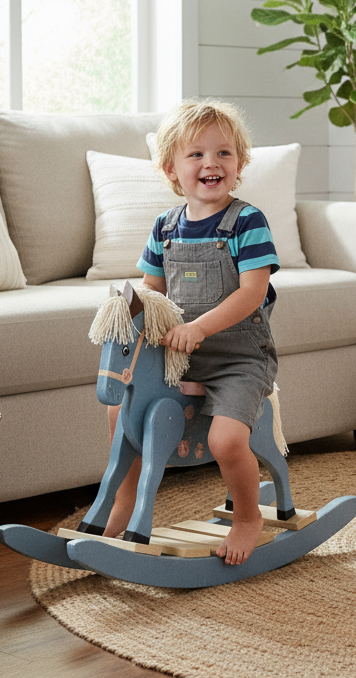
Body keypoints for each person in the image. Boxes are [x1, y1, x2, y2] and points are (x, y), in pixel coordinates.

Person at [104, 99, 280, 566]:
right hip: (180, 358)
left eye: (223, 153)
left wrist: (199, 326)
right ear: (171, 169)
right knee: (122, 410)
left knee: (226, 441)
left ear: (239, 164)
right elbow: (151, 293)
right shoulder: (164, 227)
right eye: (196, 154)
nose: (211, 163)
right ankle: (124, 500)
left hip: (239, 359)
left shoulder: (247, 222)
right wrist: (127, 311)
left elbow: (252, 293)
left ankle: (247, 517)